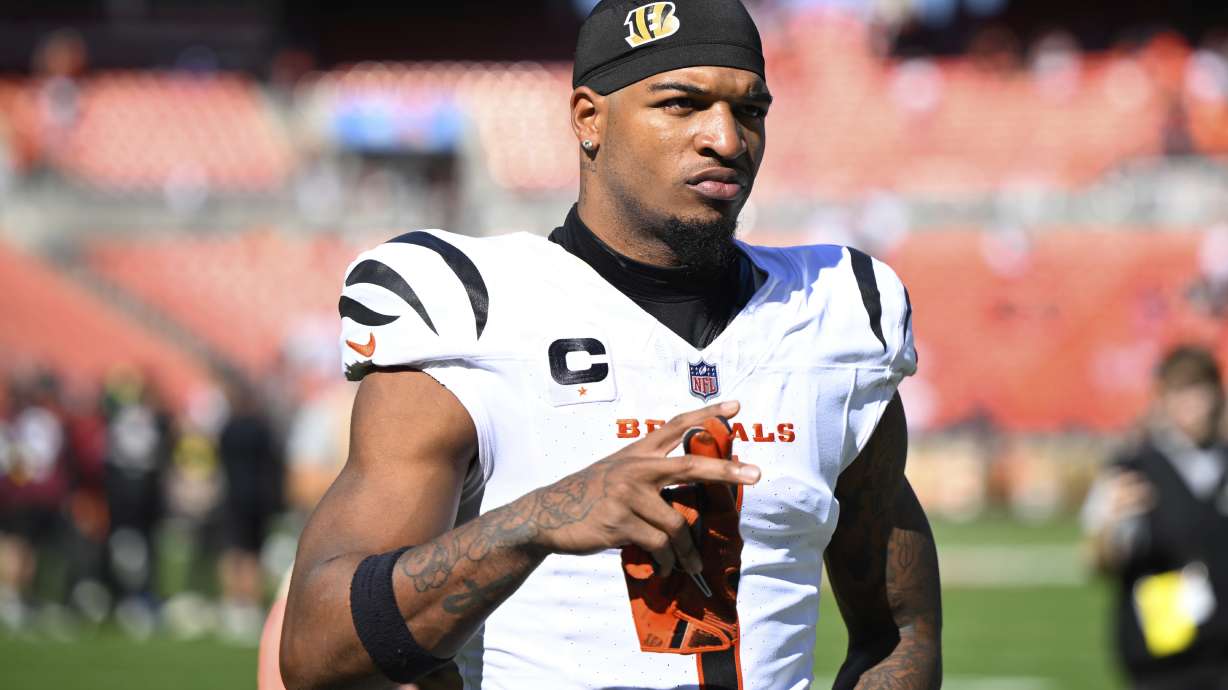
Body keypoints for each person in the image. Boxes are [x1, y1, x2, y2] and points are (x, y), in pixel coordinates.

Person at [280, 1, 942, 688]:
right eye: (682, 104)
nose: (726, 138)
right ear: (589, 119)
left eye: (750, 111)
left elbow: (899, 630)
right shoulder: (471, 307)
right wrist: (540, 519)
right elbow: (316, 650)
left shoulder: (835, 312)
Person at [1083, 345, 1228, 689]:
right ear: (1162, 399)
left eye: (1199, 390)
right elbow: (1097, 561)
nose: (1192, 405)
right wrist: (1110, 526)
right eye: (1180, 392)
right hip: (1160, 648)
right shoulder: (1132, 467)